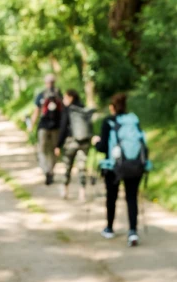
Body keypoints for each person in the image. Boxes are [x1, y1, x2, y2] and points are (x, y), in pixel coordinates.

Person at [92, 93, 147, 247]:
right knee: (131, 197)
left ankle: (109, 228)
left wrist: (95, 142)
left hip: (113, 166)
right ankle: (133, 232)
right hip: (135, 165)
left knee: (112, 196)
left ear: (112, 107)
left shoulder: (108, 122)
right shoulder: (133, 121)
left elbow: (103, 147)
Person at [55, 90, 91, 201]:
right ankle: (82, 193)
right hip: (84, 142)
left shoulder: (68, 110)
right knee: (82, 168)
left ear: (71, 97)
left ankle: (65, 191)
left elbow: (63, 128)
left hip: (71, 143)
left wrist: (58, 145)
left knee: (67, 166)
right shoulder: (83, 108)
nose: (63, 100)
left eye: (65, 98)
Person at [30, 74, 62, 185]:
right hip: (56, 127)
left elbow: (36, 112)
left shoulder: (41, 95)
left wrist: (31, 126)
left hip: (43, 127)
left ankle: (46, 170)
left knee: (42, 151)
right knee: (54, 150)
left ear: (46, 83)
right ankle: (51, 170)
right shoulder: (59, 95)